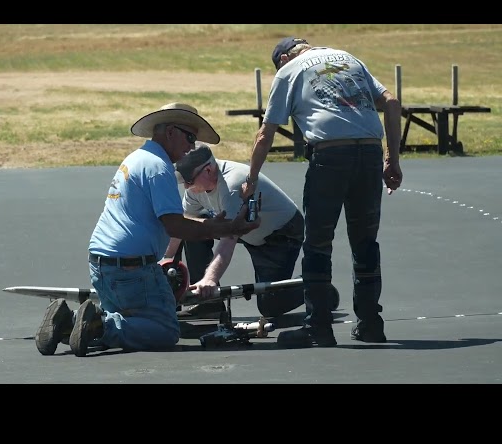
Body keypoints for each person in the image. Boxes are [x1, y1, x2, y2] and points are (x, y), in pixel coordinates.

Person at [34, 102, 260, 357]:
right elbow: (175, 225)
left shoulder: (137, 159)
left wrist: (215, 225)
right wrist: (229, 227)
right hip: (130, 270)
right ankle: (98, 325)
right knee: (165, 331)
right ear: (170, 132)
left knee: (132, 325)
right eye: (189, 137)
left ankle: (71, 321)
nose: (191, 146)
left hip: (102, 264)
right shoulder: (158, 167)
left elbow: (170, 220)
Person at [241, 36, 403, 348]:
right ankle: (370, 323)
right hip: (369, 151)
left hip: (330, 154)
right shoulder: (348, 57)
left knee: (317, 243)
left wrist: (251, 178)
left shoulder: (288, 71)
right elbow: (392, 102)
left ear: (285, 58)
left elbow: (266, 133)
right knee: (365, 241)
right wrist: (391, 159)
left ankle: (318, 327)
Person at [165, 143, 337, 320]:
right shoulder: (195, 189)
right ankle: (208, 304)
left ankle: (319, 288)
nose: (186, 187)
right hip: (249, 231)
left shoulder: (233, 187)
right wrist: (165, 262)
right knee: (193, 228)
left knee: (270, 306)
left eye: (189, 181)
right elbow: (181, 228)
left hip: (279, 234)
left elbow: (229, 239)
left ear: (208, 170)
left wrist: (209, 279)